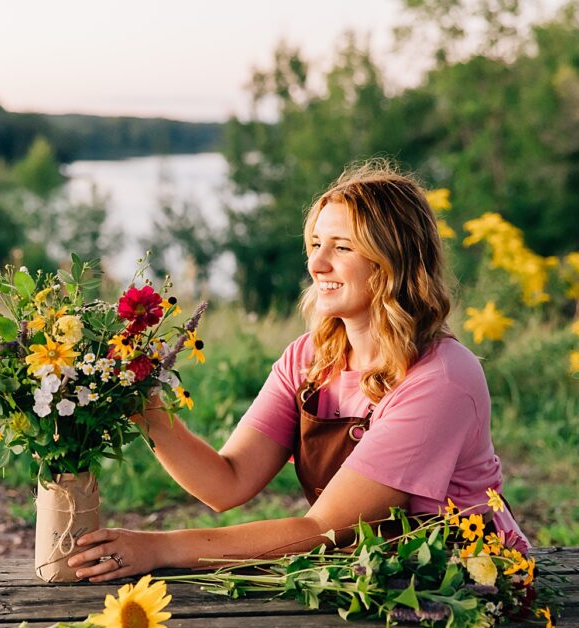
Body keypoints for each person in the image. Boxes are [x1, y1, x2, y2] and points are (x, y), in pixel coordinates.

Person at [68, 160, 528, 582]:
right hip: (362, 571)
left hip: (458, 581)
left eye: (341, 247)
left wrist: (161, 548)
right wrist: (144, 407)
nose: (316, 263)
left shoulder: (439, 378)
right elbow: (226, 482)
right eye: (314, 244)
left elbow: (322, 527)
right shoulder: (309, 358)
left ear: (393, 259)